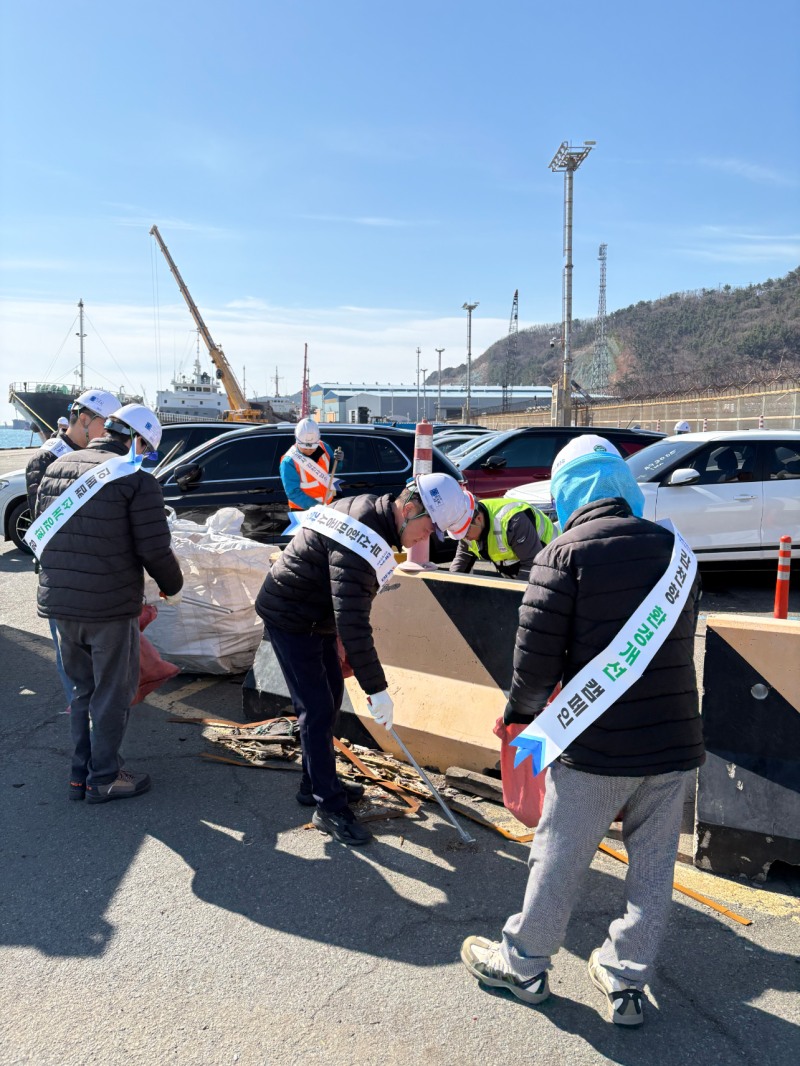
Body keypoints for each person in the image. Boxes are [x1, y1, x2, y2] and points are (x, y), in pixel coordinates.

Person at [460, 434, 704, 1027]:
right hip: (674, 739)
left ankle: (523, 964)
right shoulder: (676, 550)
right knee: (652, 864)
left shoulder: (563, 553)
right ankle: (626, 978)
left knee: (560, 854)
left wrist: (520, 718)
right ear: (622, 485)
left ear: (566, 492)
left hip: (597, 745)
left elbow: (535, 660)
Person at [255, 472, 473, 846]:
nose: (427, 540)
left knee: (329, 697)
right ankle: (329, 808)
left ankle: (314, 781)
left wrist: (345, 646)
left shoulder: (374, 511)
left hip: (314, 614)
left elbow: (347, 611)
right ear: (410, 509)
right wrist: (378, 690)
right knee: (317, 707)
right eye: (428, 530)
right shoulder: (362, 539)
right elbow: (353, 622)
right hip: (290, 615)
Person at [35, 404, 183, 804]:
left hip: (61, 602)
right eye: (147, 450)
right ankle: (105, 777)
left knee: (82, 689)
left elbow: (39, 533)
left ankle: (78, 774)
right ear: (136, 440)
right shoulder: (135, 479)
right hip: (109, 606)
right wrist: (173, 585)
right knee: (113, 693)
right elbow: (154, 547)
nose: (146, 458)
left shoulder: (58, 467)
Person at [25, 389, 123, 711]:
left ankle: (97, 716)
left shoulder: (101, 459)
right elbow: (45, 526)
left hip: (96, 574)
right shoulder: (47, 459)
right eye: (106, 427)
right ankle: (83, 722)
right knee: (74, 665)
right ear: (83, 419)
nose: (111, 436)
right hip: (63, 578)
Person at [449, 493, 555, 581]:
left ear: (479, 519)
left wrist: (514, 596)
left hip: (551, 562)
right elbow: (462, 559)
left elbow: (532, 565)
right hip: (517, 568)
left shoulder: (513, 521)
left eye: (465, 533)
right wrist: (449, 587)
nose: (464, 538)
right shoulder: (466, 525)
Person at [280, 417, 339, 510]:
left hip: (327, 505)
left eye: (312, 448)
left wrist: (339, 460)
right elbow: (293, 492)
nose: (309, 450)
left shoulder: (324, 447)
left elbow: (334, 469)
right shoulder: (289, 461)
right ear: (297, 440)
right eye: (305, 448)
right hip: (303, 510)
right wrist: (316, 507)